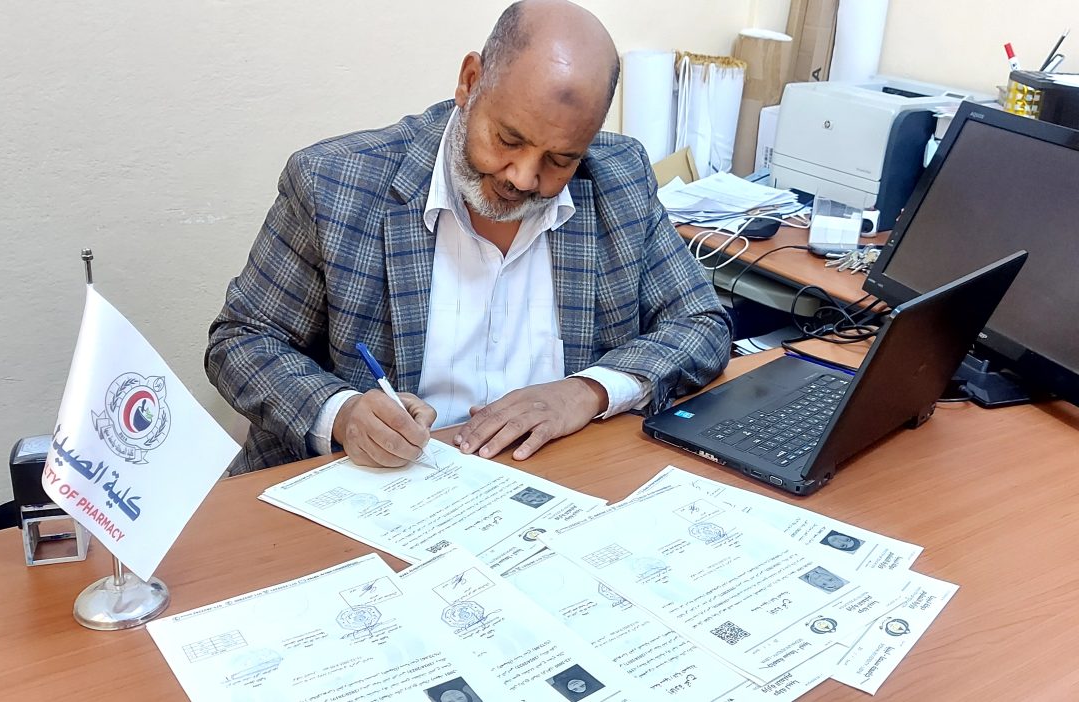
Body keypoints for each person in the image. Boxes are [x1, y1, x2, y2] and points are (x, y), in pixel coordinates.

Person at [206, 0, 731, 475]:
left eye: (560, 159)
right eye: (508, 139)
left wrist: (587, 390)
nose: (523, 178)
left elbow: (701, 324)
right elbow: (241, 339)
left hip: (554, 484)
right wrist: (341, 413)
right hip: (380, 489)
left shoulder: (619, 179)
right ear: (470, 81)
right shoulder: (334, 184)